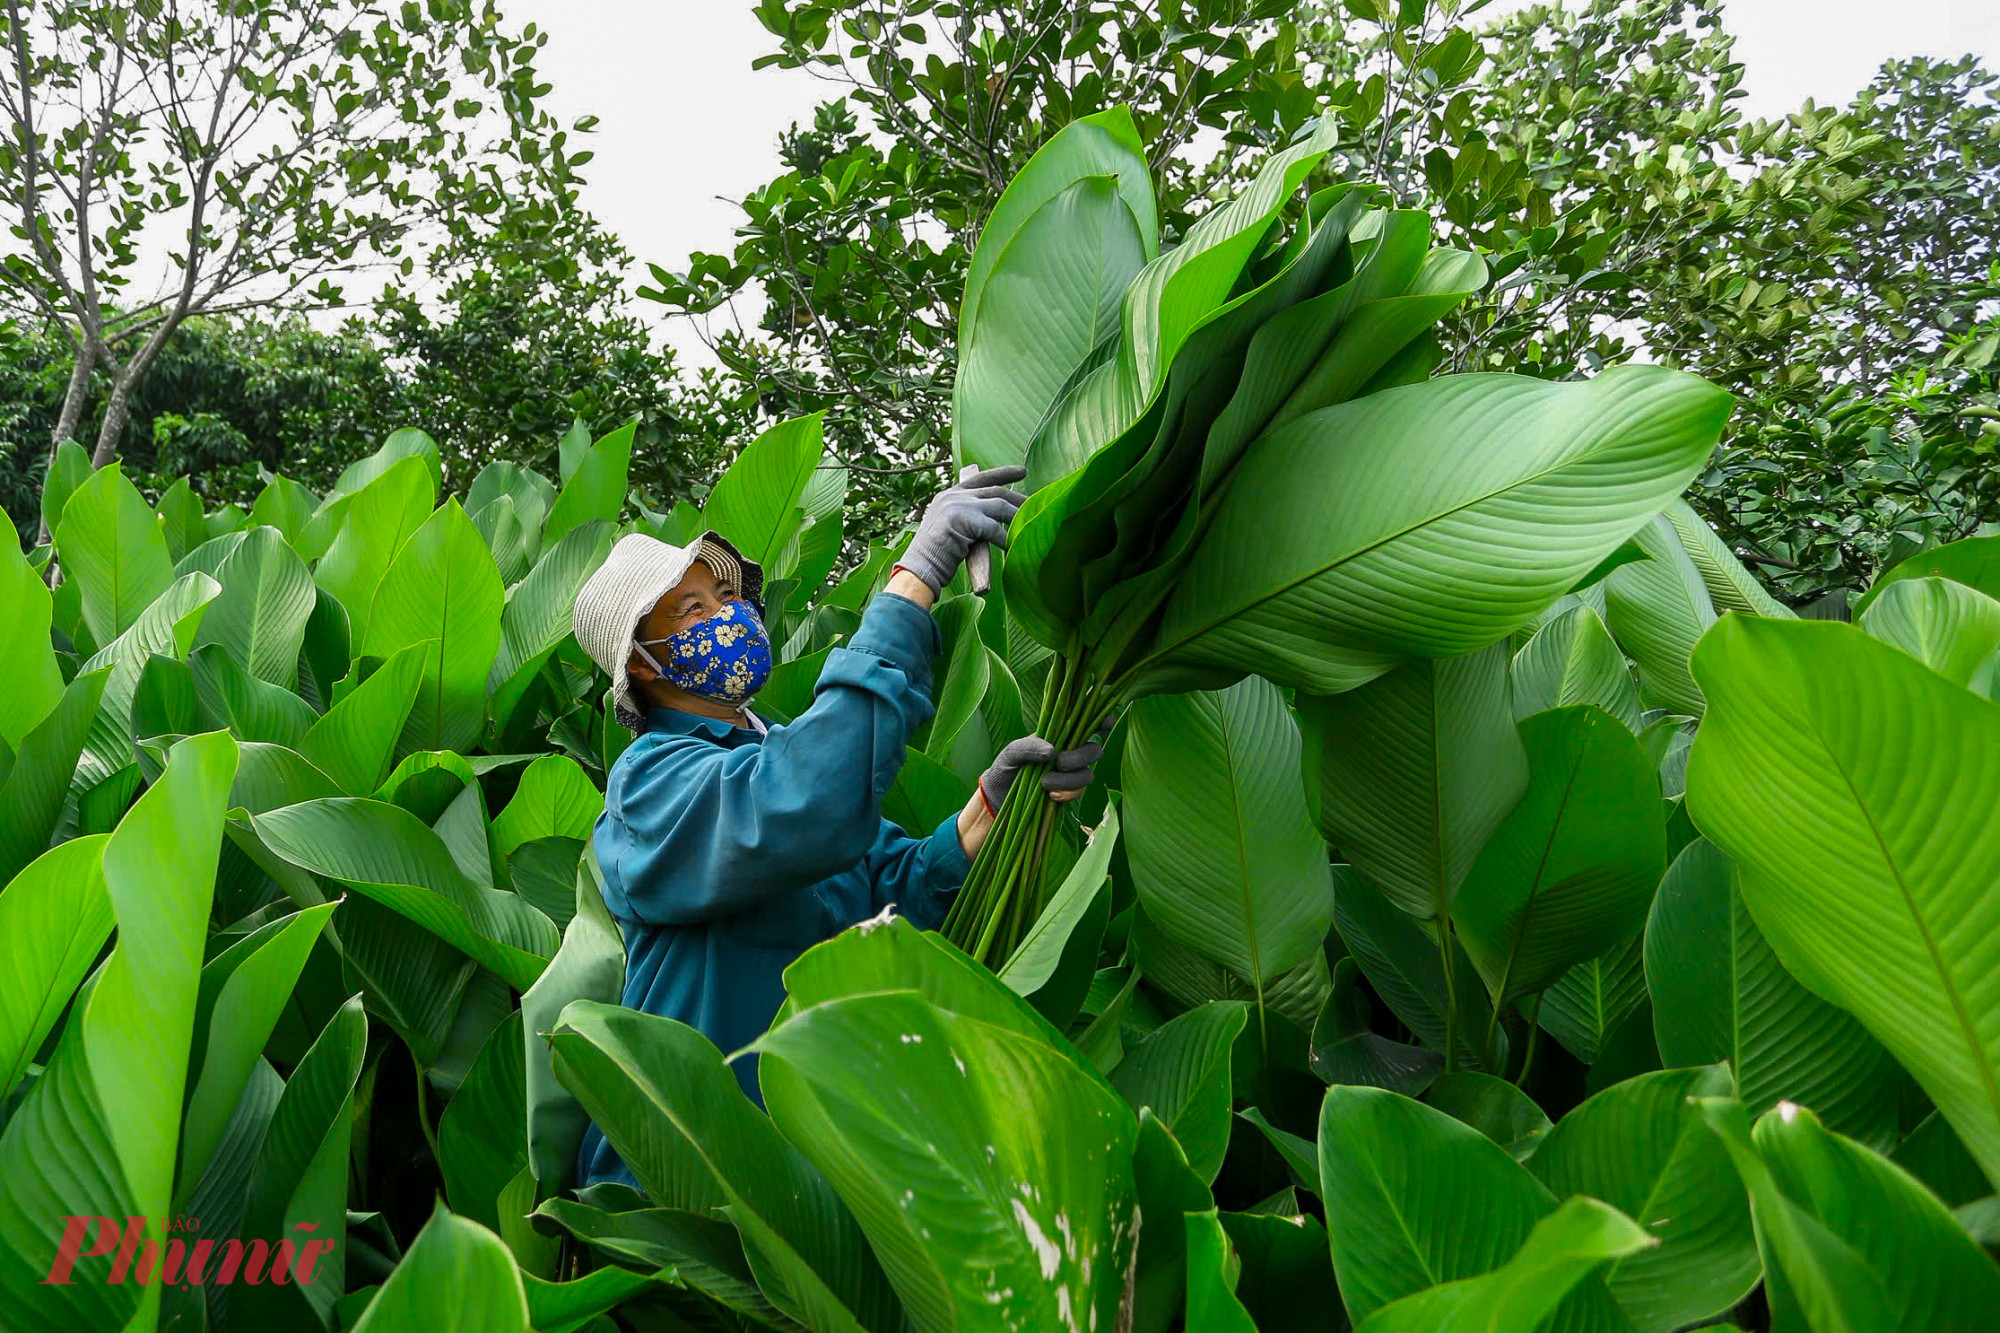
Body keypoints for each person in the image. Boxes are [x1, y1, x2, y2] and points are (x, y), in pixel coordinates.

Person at [568, 465, 1105, 1191]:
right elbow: (805, 803)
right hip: (683, 1189)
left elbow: (897, 890)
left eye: (726, 596)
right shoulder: (650, 785)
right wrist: (915, 577)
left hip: (808, 1181)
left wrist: (992, 809)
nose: (725, 616)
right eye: (690, 612)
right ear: (641, 661)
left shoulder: (771, 748)